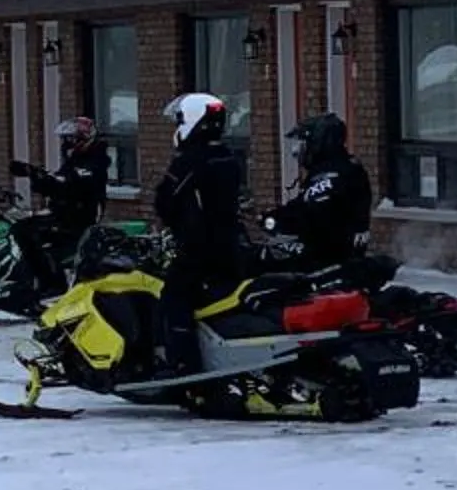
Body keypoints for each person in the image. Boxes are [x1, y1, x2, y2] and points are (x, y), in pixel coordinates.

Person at [152, 92, 246, 373]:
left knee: (173, 296)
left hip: (199, 246)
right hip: (230, 242)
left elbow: (166, 199)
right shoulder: (227, 157)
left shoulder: (192, 160)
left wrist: (175, 220)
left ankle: (183, 363)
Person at [267, 111, 374, 268]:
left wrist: (279, 221)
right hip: (333, 251)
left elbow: (311, 211)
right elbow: (303, 204)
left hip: (329, 256)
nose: (296, 152)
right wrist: (275, 215)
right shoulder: (338, 168)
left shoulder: (333, 175)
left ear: (318, 142)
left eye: (302, 143)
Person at [11, 116, 112, 274]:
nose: (67, 144)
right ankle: (28, 274)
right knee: (19, 228)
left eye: (71, 139)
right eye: (66, 139)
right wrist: (35, 175)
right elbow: (56, 184)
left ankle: (49, 279)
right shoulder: (73, 160)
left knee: (28, 233)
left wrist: (55, 180)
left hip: (81, 215)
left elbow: (74, 184)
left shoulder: (97, 160)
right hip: (61, 212)